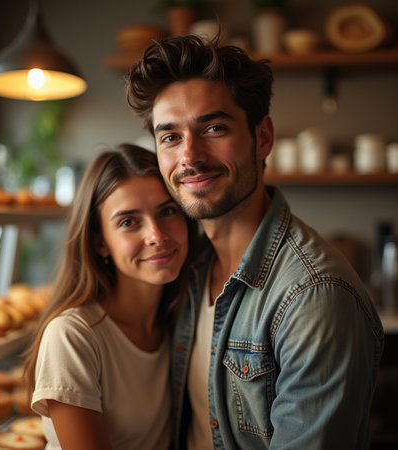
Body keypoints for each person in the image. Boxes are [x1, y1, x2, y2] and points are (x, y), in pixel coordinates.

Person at [126, 35, 385, 449]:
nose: (189, 156)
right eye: (170, 137)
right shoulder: (182, 266)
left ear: (262, 137)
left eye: (213, 128)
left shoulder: (314, 296)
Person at [23, 144, 196, 450]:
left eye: (167, 211)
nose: (156, 234)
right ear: (100, 242)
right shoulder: (73, 337)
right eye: (129, 222)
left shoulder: (182, 317)